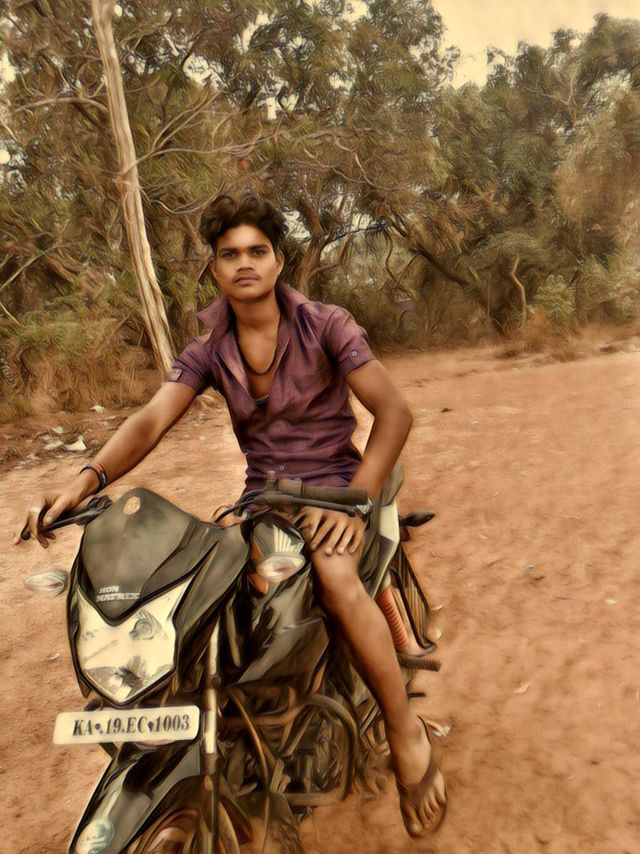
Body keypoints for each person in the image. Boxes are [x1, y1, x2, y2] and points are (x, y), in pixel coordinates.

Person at [17, 191, 447, 838]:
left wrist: (356, 504)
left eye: (257, 251)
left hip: (334, 489)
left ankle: (406, 733)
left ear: (278, 261)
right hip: (262, 499)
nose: (244, 263)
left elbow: (395, 413)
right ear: (214, 267)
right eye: (229, 254)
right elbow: (151, 419)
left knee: (335, 577)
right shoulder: (210, 347)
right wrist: (85, 481)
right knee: (204, 584)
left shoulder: (327, 324)